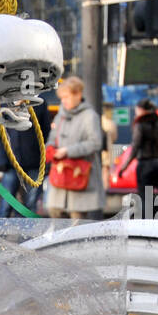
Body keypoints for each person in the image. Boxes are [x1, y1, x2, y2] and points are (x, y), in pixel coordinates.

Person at [44, 76, 105, 220]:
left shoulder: (90, 116)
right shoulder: (61, 115)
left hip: (80, 175)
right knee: (54, 211)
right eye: (61, 98)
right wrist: (51, 148)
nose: (63, 101)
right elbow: (53, 137)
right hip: (60, 174)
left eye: (66, 97)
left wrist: (68, 151)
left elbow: (95, 143)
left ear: (78, 94)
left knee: (76, 219)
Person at [0, 104, 50, 217]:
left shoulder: (38, 103)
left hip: (34, 163)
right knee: (6, 203)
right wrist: (1, 161)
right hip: (11, 164)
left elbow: (46, 133)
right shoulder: (4, 103)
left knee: (31, 204)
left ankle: (29, 234)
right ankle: (0, 234)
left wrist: (45, 162)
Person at [116, 100, 158, 218]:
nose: (136, 113)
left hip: (145, 165)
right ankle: (157, 218)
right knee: (155, 194)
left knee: (144, 196)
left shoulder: (140, 124)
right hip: (157, 163)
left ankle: (144, 221)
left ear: (142, 110)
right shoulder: (157, 121)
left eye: (137, 110)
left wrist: (124, 167)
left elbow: (135, 147)